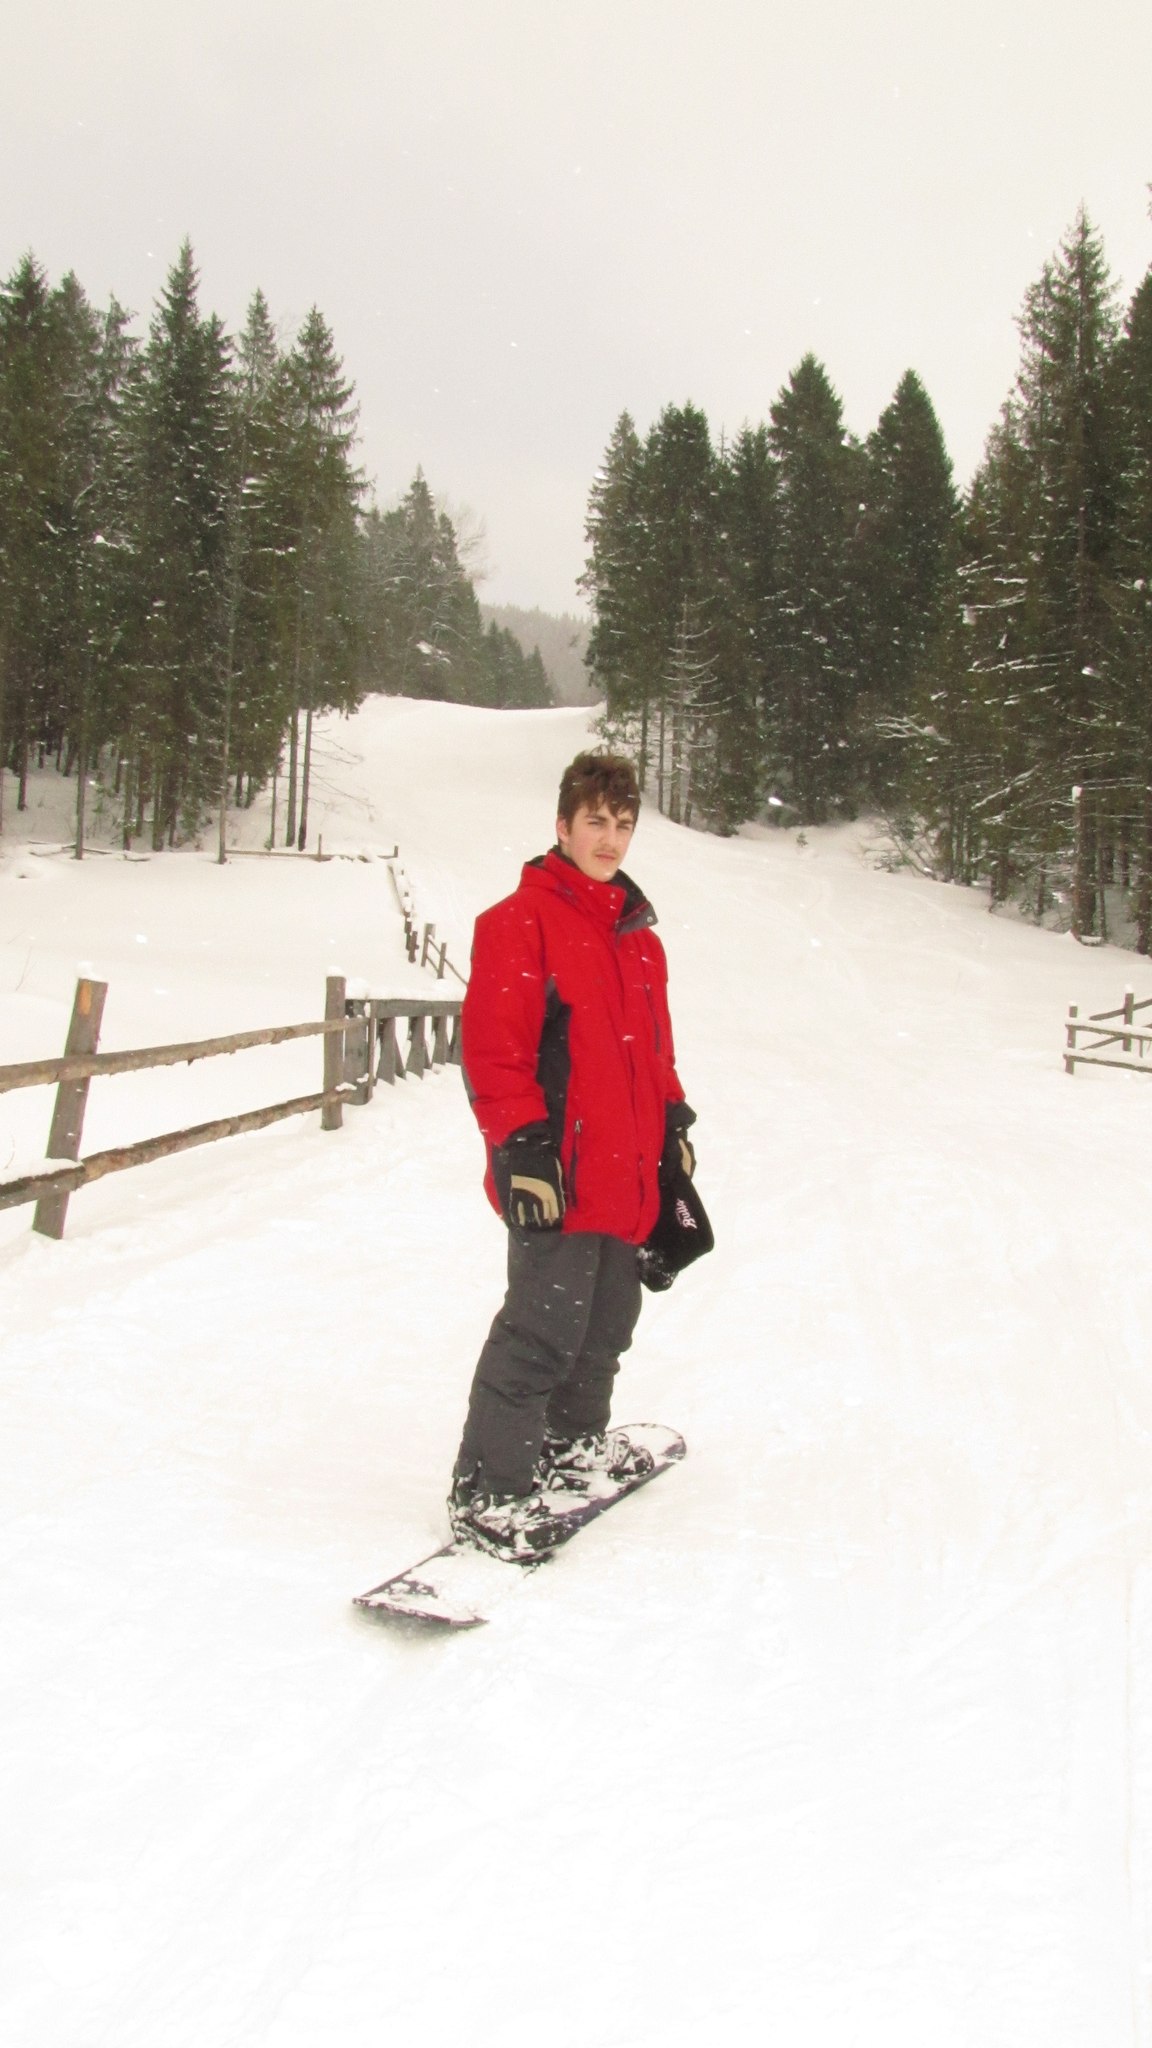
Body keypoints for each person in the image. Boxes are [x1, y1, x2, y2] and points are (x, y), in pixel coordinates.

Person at [449, 748, 697, 1561]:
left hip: (627, 1176)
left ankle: (568, 1446)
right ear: (562, 826)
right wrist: (522, 1147)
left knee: (605, 1328)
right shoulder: (518, 922)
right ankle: (490, 1490)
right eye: (596, 821)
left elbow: (653, 1054)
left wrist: (674, 1127)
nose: (610, 839)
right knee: (541, 1331)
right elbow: (495, 1051)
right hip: (556, 1173)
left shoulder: (639, 941)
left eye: (623, 824)